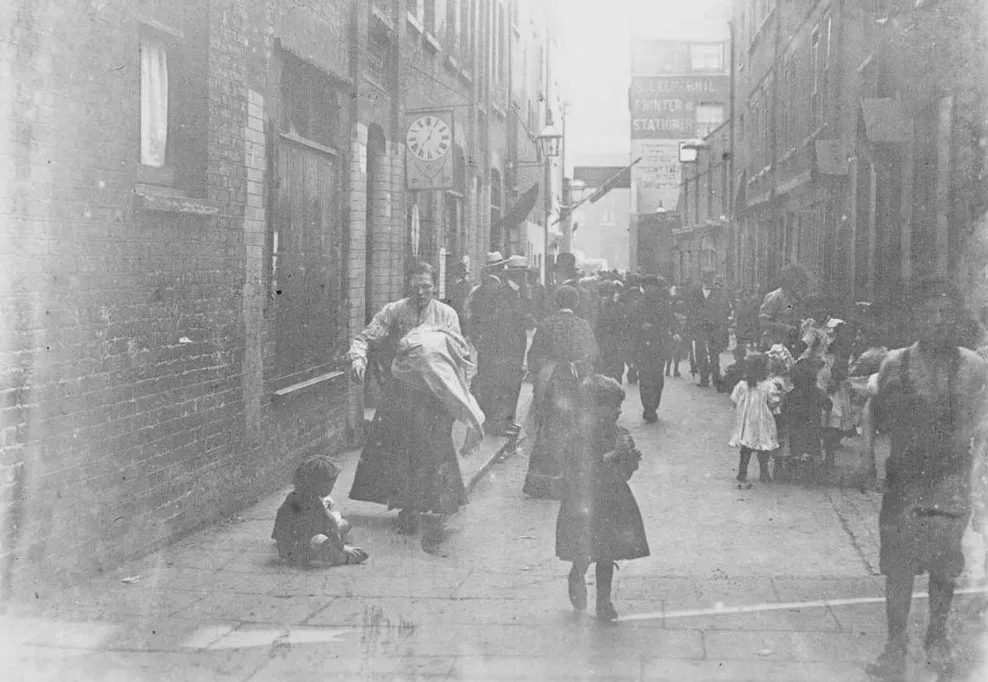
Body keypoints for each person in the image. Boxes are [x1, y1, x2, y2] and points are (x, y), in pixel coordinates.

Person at [865, 278, 988, 681]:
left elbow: (979, 428)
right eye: (930, 313)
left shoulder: (973, 367)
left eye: (946, 313)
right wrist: (873, 464)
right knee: (898, 567)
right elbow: (878, 420)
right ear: (916, 317)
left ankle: (937, 638)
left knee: (944, 566)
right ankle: (894, 646)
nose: (938, 321)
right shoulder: (894, 364)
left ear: (956, 318)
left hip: (950, 479)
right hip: (904, 480)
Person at [347, 262, 470, 536]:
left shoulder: (447, 314)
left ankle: (433, 501)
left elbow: (460, 353)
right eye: (416, 287)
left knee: (433, 447)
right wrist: (358, 359)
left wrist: (460, 393)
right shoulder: (393, 311)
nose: (421, 293)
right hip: (401, 391)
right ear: (408, 287)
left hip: (435, 395)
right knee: (401, 449)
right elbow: (365, 337)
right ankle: (409, 507)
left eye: (426, 287)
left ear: (435, 287)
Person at [556, 374, 649, 622]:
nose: (618, 411)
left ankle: (604, 601)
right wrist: (612, 455)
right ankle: (577, 574)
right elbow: (580, 468)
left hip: (612, 499)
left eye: (619, 406)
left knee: (608, 553)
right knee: (585, 550)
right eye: (612, 406)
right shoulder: (579, 435)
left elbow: (626, 473)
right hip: (584, 502)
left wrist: (630, 459)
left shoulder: (620, 433)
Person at [522, 285, 599, 499]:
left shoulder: (546, 324)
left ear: (556, 302)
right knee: (575, 427)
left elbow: (534, 355)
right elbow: (593, 354)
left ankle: (543, 483)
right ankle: (572, 482)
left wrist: (539, 372)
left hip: (552, 381)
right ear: (575, 303)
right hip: (576, 382)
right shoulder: (582, 325)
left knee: (549, 428)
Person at [469, 255, 529, 436]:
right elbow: (498, 324)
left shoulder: (517, 292)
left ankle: (508, 422)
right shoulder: (501, 293)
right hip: (502, 351)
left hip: (514, 350)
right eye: (523, 274)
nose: (525, 277)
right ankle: (498, 425)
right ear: (514, 274)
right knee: (501, 387)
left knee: (512, 386)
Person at [272, 457, 369, 566]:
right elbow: (330, 524)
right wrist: (341, 547)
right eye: (331, 484)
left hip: (285, 546)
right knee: (334, 531)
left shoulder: (294, 495)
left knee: (340, 523)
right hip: (299, 551)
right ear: (321, 485)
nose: (333, 487)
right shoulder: (314, 502)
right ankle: (344, 558)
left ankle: (338, 548)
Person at [729, 352, 782, 488]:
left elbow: (734, 399)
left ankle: (742, 472)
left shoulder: (742, 385)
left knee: (746, 447)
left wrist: (744, 409)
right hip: (762, 421)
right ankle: (764, 473)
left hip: (747, 421)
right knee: (763, 446)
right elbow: (774, 401)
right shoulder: (767, 385)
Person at [628, 275, 674, 423]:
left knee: (658, 379)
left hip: (659, 346)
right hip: (643, 347)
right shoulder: (636, 305)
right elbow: (630, 325)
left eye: (653, 286)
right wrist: (641, 327)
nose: (650, 289)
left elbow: (670, 323)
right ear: (644, 288)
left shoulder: (664, 305)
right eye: (647, 286)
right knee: (645, 379)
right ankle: (649, 408)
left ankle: (654, 405)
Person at [785, 358, 832, 482]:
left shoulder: (791, 394)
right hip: (813, 428)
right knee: (813, 448)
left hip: (795, 428)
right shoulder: (818, 393)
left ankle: (795, 467)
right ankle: (812, 472)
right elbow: (828, 405)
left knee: (795, 447)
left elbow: (784, 408)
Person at [689, 271, 731, 388]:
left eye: (710, 277)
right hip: (700, 327)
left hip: (714, 327)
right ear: (702, 278)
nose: (707, 280)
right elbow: (691, 309)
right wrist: (695, 323)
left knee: (714, 352)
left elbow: (725, 308)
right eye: (705, 277)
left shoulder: (719, 292)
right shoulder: (695, 292)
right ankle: (704, 378)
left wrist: (719, 322)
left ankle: (716, 378)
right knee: (700, 352)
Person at [759, 264, 810, 350]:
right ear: (788, 280)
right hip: (773, 344)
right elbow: (763, 323)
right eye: (798, 280)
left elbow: (788, 309)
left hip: (791, 344)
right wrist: (786, 328)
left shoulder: (795, 298)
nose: (800, 284)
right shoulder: (774, 297)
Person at [554, 252, 597, 327]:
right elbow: (589, 322)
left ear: (561, 272)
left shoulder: (558, 293)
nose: (555, 275)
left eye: (556, 271)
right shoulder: (585, 293)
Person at [595, 281, 626, 383]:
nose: (608, 296)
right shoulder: (596, 308)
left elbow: (623, 325)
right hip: (602, 345)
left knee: (616, 372)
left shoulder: (619, 307)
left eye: (611, 293)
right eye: (606, 293)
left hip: (614, 344)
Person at [620, 273, 643, 384]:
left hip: (627, 328)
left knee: (629, 349)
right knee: (639, 349)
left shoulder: (623, 296)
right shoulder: (643, 295)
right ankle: (635, 367)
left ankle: (631, 366)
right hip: (640, 328)